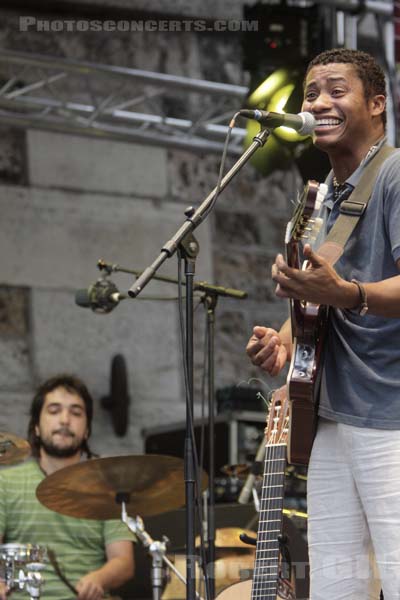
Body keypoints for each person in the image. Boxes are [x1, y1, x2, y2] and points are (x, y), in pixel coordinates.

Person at [246, 48, 400, 599]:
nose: (318, 103)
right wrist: (285, 338)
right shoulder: (320, 197)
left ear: (377, 104)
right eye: (311, 93)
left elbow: (346, 291)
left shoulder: (395, 176)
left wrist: (349, 293)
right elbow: (321, 299)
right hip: (331, 417)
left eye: (337, 90)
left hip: (390, 418)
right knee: (337, 586)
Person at [0, 374, 135, 600]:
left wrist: (99, 579)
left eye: (76, 413)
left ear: (87, 431)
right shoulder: (5, 482)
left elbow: (123, 562)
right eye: (54, 411)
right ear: (36, 427)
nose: (65, 420)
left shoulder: (107, 486)